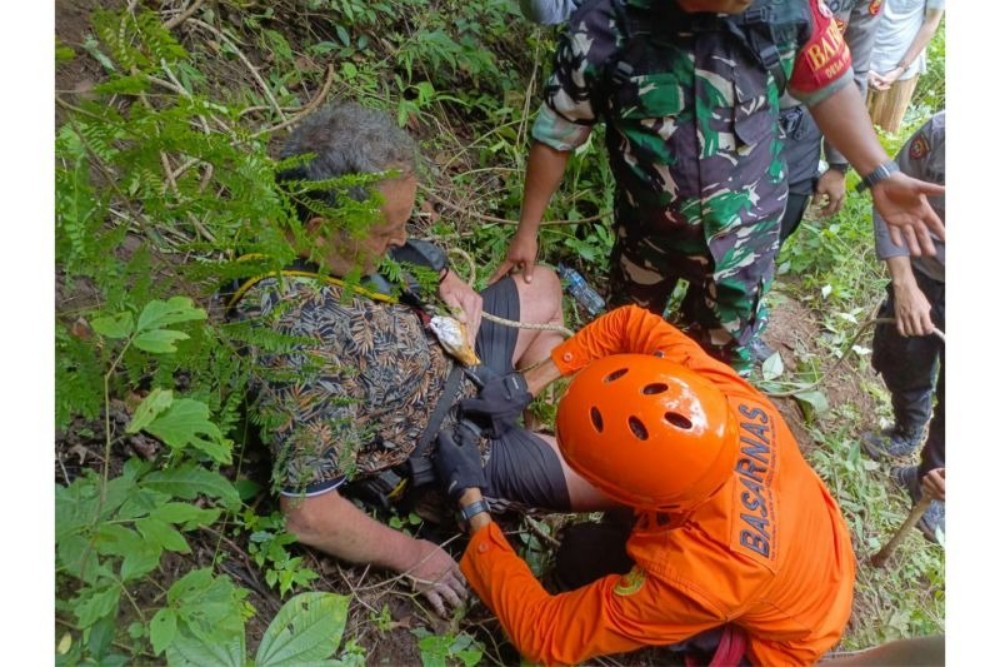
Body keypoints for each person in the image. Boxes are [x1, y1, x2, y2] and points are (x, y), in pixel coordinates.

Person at [229, 103, 615, 616]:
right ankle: (529, 454)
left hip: (458, 359)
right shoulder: (296, 344)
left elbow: (400, 254)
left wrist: (443, 278)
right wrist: (411, 555)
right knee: (617, 469)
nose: (401, 240)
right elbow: (308, 512)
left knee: (538, 283)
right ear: (322, 230)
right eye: (388, 231)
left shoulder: (315, 230)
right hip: (450, 444)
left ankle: (530, 420)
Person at [490, 0, 946, 376]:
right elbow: (558, 133)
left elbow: (829, 86)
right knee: (624, 352)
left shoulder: (789, 10)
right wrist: (527, 231)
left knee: (715, 369)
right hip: (646, 241)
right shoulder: (604, 23)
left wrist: (878, 171)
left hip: (745, 249)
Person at [434, 304, 857, 665]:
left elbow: (546, 635)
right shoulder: (717, 398)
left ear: (648, 499)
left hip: (792, 631)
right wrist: (528, 382)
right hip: (818, 541)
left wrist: (472, 503)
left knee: (578, 558)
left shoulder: (702, 577)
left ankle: (710, 637)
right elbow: (630, 323)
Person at [861, 111, 944, 542]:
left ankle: (930, 480)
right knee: (901, 358)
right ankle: (908, 427)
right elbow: (891, 194)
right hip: (925, 276)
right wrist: (905, 282)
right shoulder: (943, 133)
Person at [867, 0, 945, 134]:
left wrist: (901, 68)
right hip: (860, 63)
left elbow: (931, 21)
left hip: (901, 70)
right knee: (843, 138)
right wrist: (859, 64)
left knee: (885, 137)